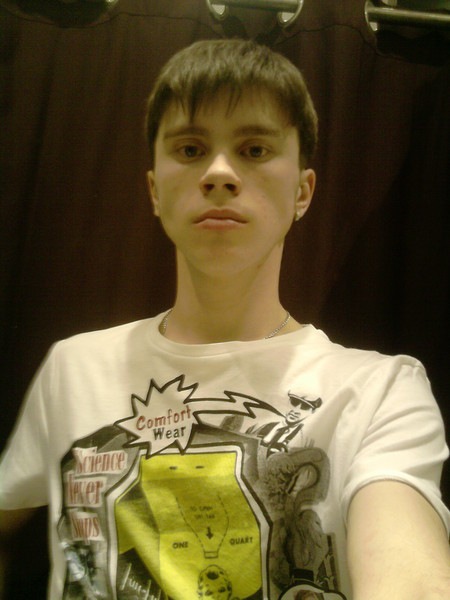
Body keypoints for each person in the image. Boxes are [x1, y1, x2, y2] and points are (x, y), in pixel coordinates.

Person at [0, 39, 449, 600]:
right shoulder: (73, 367)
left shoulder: (381, 391)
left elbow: (411, 573)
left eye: (255, 149)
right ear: (154, 191)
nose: (218, 173)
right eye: (190, 149)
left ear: (303, 192)